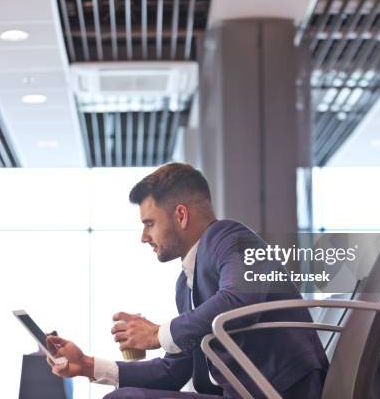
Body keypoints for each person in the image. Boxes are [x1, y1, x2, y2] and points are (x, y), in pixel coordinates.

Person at [46, 163, 328, 398]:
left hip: (283, 390)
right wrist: (86, 365)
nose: (144, 237)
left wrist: (157, 334)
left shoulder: (231, 237)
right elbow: (172, 371)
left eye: (149, 223)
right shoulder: (186, 285)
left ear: (180, 215)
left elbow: (240, 298)